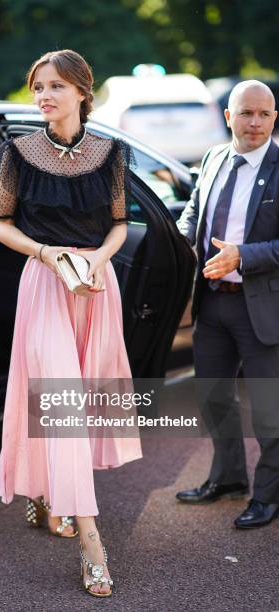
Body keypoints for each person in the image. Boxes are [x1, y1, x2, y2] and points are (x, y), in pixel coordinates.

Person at [0, 49, 143, 596]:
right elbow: (1, 225)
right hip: (45, 282)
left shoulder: (112, 153)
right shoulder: (16, 154)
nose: (44, 96)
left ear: (82, 92)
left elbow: (121, 226)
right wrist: (49, 255)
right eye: (37, 87)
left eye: (55, 86)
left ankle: (43, 492)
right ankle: (92, 543)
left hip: (96, 286)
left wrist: (95, 263)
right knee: (62, 403)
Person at [176, 80, 279, 529]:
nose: (254, 123)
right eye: (246, 113)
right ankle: (228, 478)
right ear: (228, 117)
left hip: (263, 307)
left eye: (264, 114)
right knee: (214, 397)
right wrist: (179, 241)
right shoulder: (213, 157)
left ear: (274, 118)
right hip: (213, 302)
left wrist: (244, 256)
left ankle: (269, 496)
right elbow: (194, 211)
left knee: (269, 408)